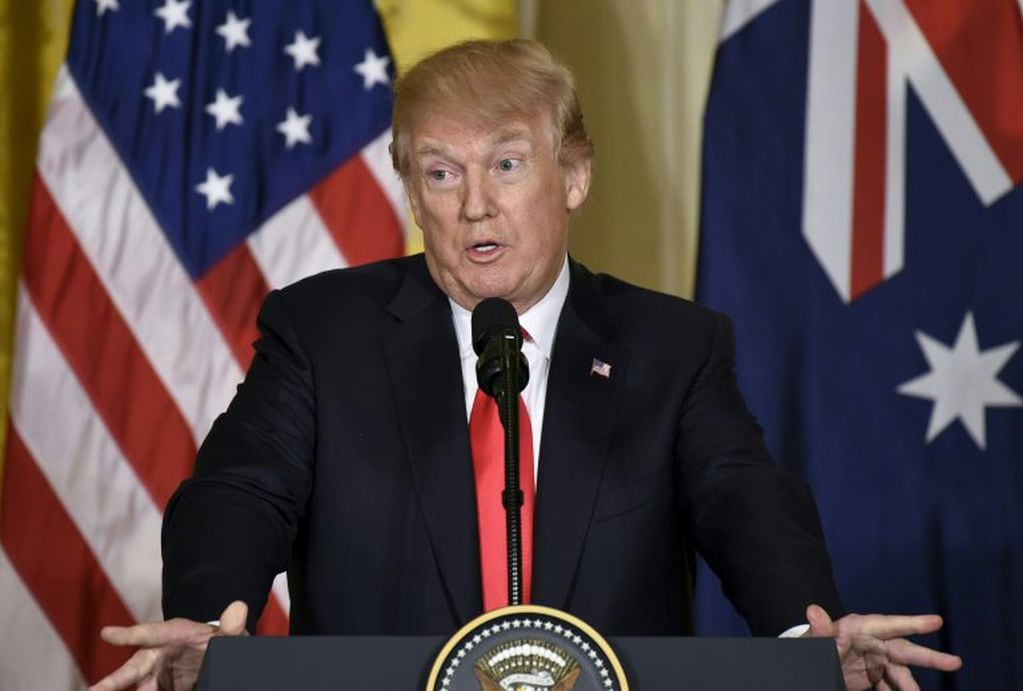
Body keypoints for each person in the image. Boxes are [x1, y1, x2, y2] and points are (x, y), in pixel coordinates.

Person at [90, 39, 962, 690]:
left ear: (573, 174)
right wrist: (208, 621)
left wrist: (801, 640)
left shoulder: (671, 346)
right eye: (440, 172)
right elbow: (242, 488)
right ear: (411, 192)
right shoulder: (322, 330)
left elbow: (741, 498)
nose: (475, 204)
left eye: (506, 164)